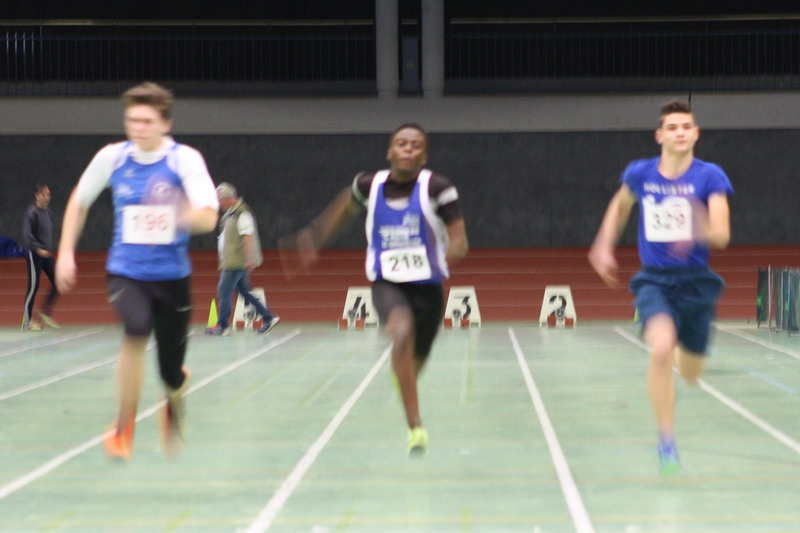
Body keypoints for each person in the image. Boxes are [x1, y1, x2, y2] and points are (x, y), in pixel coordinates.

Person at [280, 123, 469, 456]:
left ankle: (404, 375)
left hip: (428, 288)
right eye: (401, 143)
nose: (408, 149)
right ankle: (415, 428)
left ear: (424, 156)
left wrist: (441, 261)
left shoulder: (438, 188)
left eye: (415, 145)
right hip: (387, 283)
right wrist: (315, 237)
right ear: (389, 151)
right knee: (401, 332)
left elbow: (460, 242)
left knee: (415, 361)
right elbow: (344, 209)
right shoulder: (368, 185)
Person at [55, 82, 219, 460]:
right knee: (136, 328)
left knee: (170, 372)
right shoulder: (112, 157)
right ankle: (123, 426)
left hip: (172, 278)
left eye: (147, 121)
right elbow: (79, 201)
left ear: (165, 124)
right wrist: (65, 253)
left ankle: (174, 395)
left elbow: (209, 218)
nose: (138, 128)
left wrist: (180, 214)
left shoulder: (184, 160)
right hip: (126, 272)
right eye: (132, 120)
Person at [588, 99, 733, 475]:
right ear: (659, 135)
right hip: (654, 280)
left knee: (691, 374)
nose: (679, 132)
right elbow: (621, 206)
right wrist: (603, 245)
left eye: (686, 126)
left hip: (696, 283)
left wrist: (696, 224)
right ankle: (666, 441)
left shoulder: (710, 177)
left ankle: (688, 354)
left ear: (696, 133)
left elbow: (721, 235)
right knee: (661, 348)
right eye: (672, 127)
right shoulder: (640, 174)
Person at [205, 182, 280, 336]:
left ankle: (223, 326)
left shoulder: (241, 213)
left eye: (220, 200)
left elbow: (248, 236)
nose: (219, 204)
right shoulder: (230, 213)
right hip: (231, 260)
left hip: (236, 262)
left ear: (228, 199)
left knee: (224, 291)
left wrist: (249, 259)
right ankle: (268, 317)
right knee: (244, 292)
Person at [22, 184, 60, 330]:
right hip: (34, 254)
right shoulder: (32, 212)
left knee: (58, 281)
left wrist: (46, 249)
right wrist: (38, 249)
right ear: (37, 195)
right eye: (43, 194)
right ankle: (27, 322)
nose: (46, 197)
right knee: (33, 286)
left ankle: (44, 313)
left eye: (48, 194)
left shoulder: (47, 212)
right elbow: (27, 235)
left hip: (46, 254)